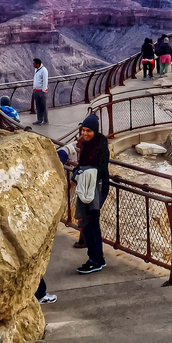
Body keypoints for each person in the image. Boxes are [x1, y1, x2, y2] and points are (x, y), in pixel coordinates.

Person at [73, 113, 109, 274]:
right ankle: (97, 258)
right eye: (83, 130)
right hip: (91, 188)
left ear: (95, 131)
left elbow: (93, 167)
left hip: (96, 189)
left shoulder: (99, 146)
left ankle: (95, 260)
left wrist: (78, 171)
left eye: (88, 131)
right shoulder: (88, 144)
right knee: (90, 224)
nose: (85, 134)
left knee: (91, 224)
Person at [32, 58, 49, 125]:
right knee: (38, 106)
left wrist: (44, 90)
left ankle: (45, 120)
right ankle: (39, 119)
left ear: (38, 64)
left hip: (41, 91)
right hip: (36, 90)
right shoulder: (36, 69)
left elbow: (45, 81)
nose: (33, 65)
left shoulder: (44, 70)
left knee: (43, 106)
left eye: (34, 63)